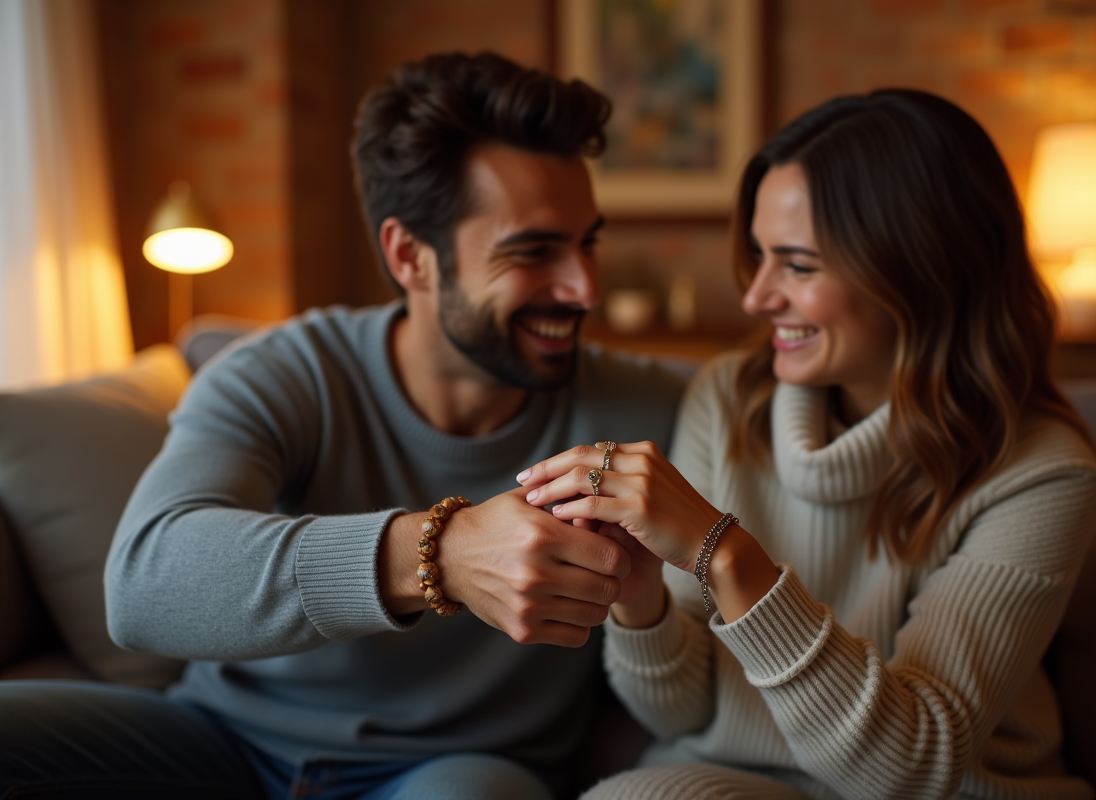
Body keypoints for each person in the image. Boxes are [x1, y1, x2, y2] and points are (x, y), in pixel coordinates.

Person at [0, 52, 684, 800]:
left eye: (587, 241)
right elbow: (144, 585)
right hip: (221, 743)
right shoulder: (286, 371)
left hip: (450, 770)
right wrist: (441, 552)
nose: (584, 287)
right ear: (409, 256)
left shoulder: (653, 412)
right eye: (533, 251)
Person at [520, 89, 1096, 800]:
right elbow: (678, 710)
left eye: (798, 266)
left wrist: (724, 552)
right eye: (761, 257)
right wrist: (640, 599)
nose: (757, 296)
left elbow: (908, 768)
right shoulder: (729, 397)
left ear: (919, 272)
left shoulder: (1043, 474)